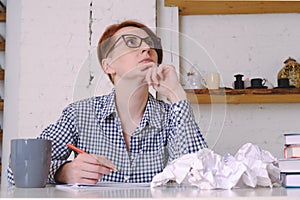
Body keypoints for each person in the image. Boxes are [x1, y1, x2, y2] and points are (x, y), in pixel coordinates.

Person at [7, 20, 207, 184]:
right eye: (131, 42)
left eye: (150, 44)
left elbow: (202, 175)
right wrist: (63, 172)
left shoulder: (173, 115)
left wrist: (176, 94)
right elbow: (16, 171)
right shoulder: (79, 114)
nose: (146, 48)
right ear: (108, 65)